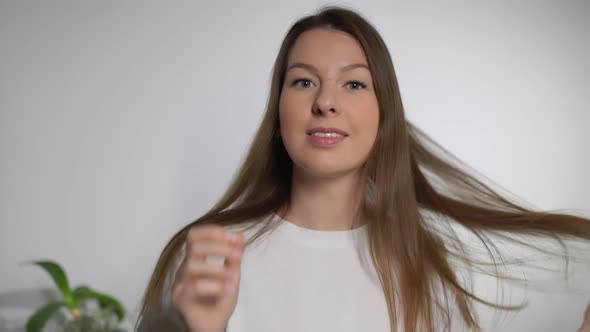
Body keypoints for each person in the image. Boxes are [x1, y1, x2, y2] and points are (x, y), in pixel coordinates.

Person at [135, 6, 590, 332]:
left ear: (383, 115)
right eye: (304, 81)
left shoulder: (426, 273)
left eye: (354, 83)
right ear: (278, 111)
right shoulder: (204, 260)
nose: (326, 102)